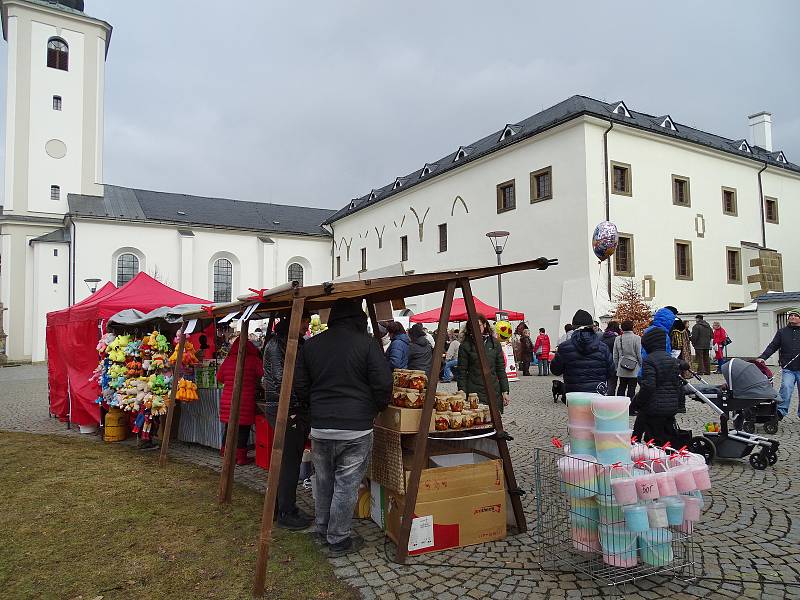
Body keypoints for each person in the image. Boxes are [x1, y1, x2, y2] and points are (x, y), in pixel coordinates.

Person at [294, 298, 392, 556]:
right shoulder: (368, 344)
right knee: (346, 484)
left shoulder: (312, 346)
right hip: (356, 427)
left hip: (322, 427)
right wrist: (375, 409)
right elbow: (383, 383)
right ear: (358, 319)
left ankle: (323, 529)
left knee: (325, 481)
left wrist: (314, 408)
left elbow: (300, 385)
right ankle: (337, 539)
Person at [263, 315, 313, 530]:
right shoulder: (275, 345)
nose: (306, 325)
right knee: (290, 461)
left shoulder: (298, 343)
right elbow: (281, 378)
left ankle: (283, 506)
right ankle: (285, 511)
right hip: (284, 408)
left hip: (295, 408)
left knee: (289, 460)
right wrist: (300, 399)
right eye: (304, 321)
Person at [631, 328, 686, 445]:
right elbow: (678, 386)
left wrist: (638, 402)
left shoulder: (649, 360)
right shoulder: (672, 361)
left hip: (654, 408)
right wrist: (679, 404)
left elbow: (648, 386)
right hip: (670, 408)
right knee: (667, 438)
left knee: (653, 440)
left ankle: (638, 446)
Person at [216, 336, 264, 465]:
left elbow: (219, 377)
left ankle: (226, 453)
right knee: (243, 429)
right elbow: (262, 374)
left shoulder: (228, 360)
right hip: (245, 400)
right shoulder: (254, 360)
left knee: (229, 427)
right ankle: (240, 457)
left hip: (228, 400)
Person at [551, 310, 614, 395]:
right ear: (592, 326)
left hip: (574, 394)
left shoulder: (564, 347)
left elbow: (556, 370)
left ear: (574, 326)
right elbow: (611, 371)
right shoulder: (603, 348)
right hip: (597, 393)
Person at [457, 315, 510, 412]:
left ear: (485, 325)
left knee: (495, 422)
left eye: (479, 325)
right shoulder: (465, 345)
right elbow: (462, 372)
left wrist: (505, 391)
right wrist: (462, 391)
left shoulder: (494, 343)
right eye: (472, 326)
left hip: (493, 390)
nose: (476, 328)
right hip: (474, 391)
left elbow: (500, 369)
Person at [757, 308, 800, 420]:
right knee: (786, 388)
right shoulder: (782, 332)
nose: (792, 317)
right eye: (791, 315)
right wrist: (763, 357)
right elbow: (773, 346)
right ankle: (780, 412)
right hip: (788, 368)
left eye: (795, 315)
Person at [614, 320, 642, 399]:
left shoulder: (618, 339)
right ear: (632, 327)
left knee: (621, 387)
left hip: (621, 365)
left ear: (622, 328)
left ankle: (620, 405)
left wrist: (617, 367)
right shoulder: (637, 338)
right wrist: (641, 365)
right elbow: (639, 354)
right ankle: (630, 407)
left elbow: (615, 355)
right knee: (632, 388)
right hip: (634, 367)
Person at [601, 321, 622, 392]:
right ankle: (610, 399)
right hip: (613, 363)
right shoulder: (616, 338)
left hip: (603, 362)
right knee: (612, 384)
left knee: (604, 383)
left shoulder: (602, 336)